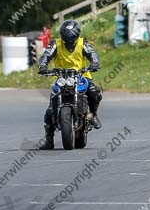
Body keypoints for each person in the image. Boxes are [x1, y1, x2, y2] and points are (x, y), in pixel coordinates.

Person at [37, 20, 102, 150]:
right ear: (62, 36)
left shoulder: (83, 43)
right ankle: (49, 140)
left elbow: (92, 54)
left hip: (82, 76)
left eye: (72, 39)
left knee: (94, 91)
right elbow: (46, 56)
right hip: (62, 78)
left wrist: (94, 63)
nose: (69, 43)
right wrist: (43, 65)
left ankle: (93, 114)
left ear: (77, 37)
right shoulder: (55, 44)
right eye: (66, 39)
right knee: (50, 108)